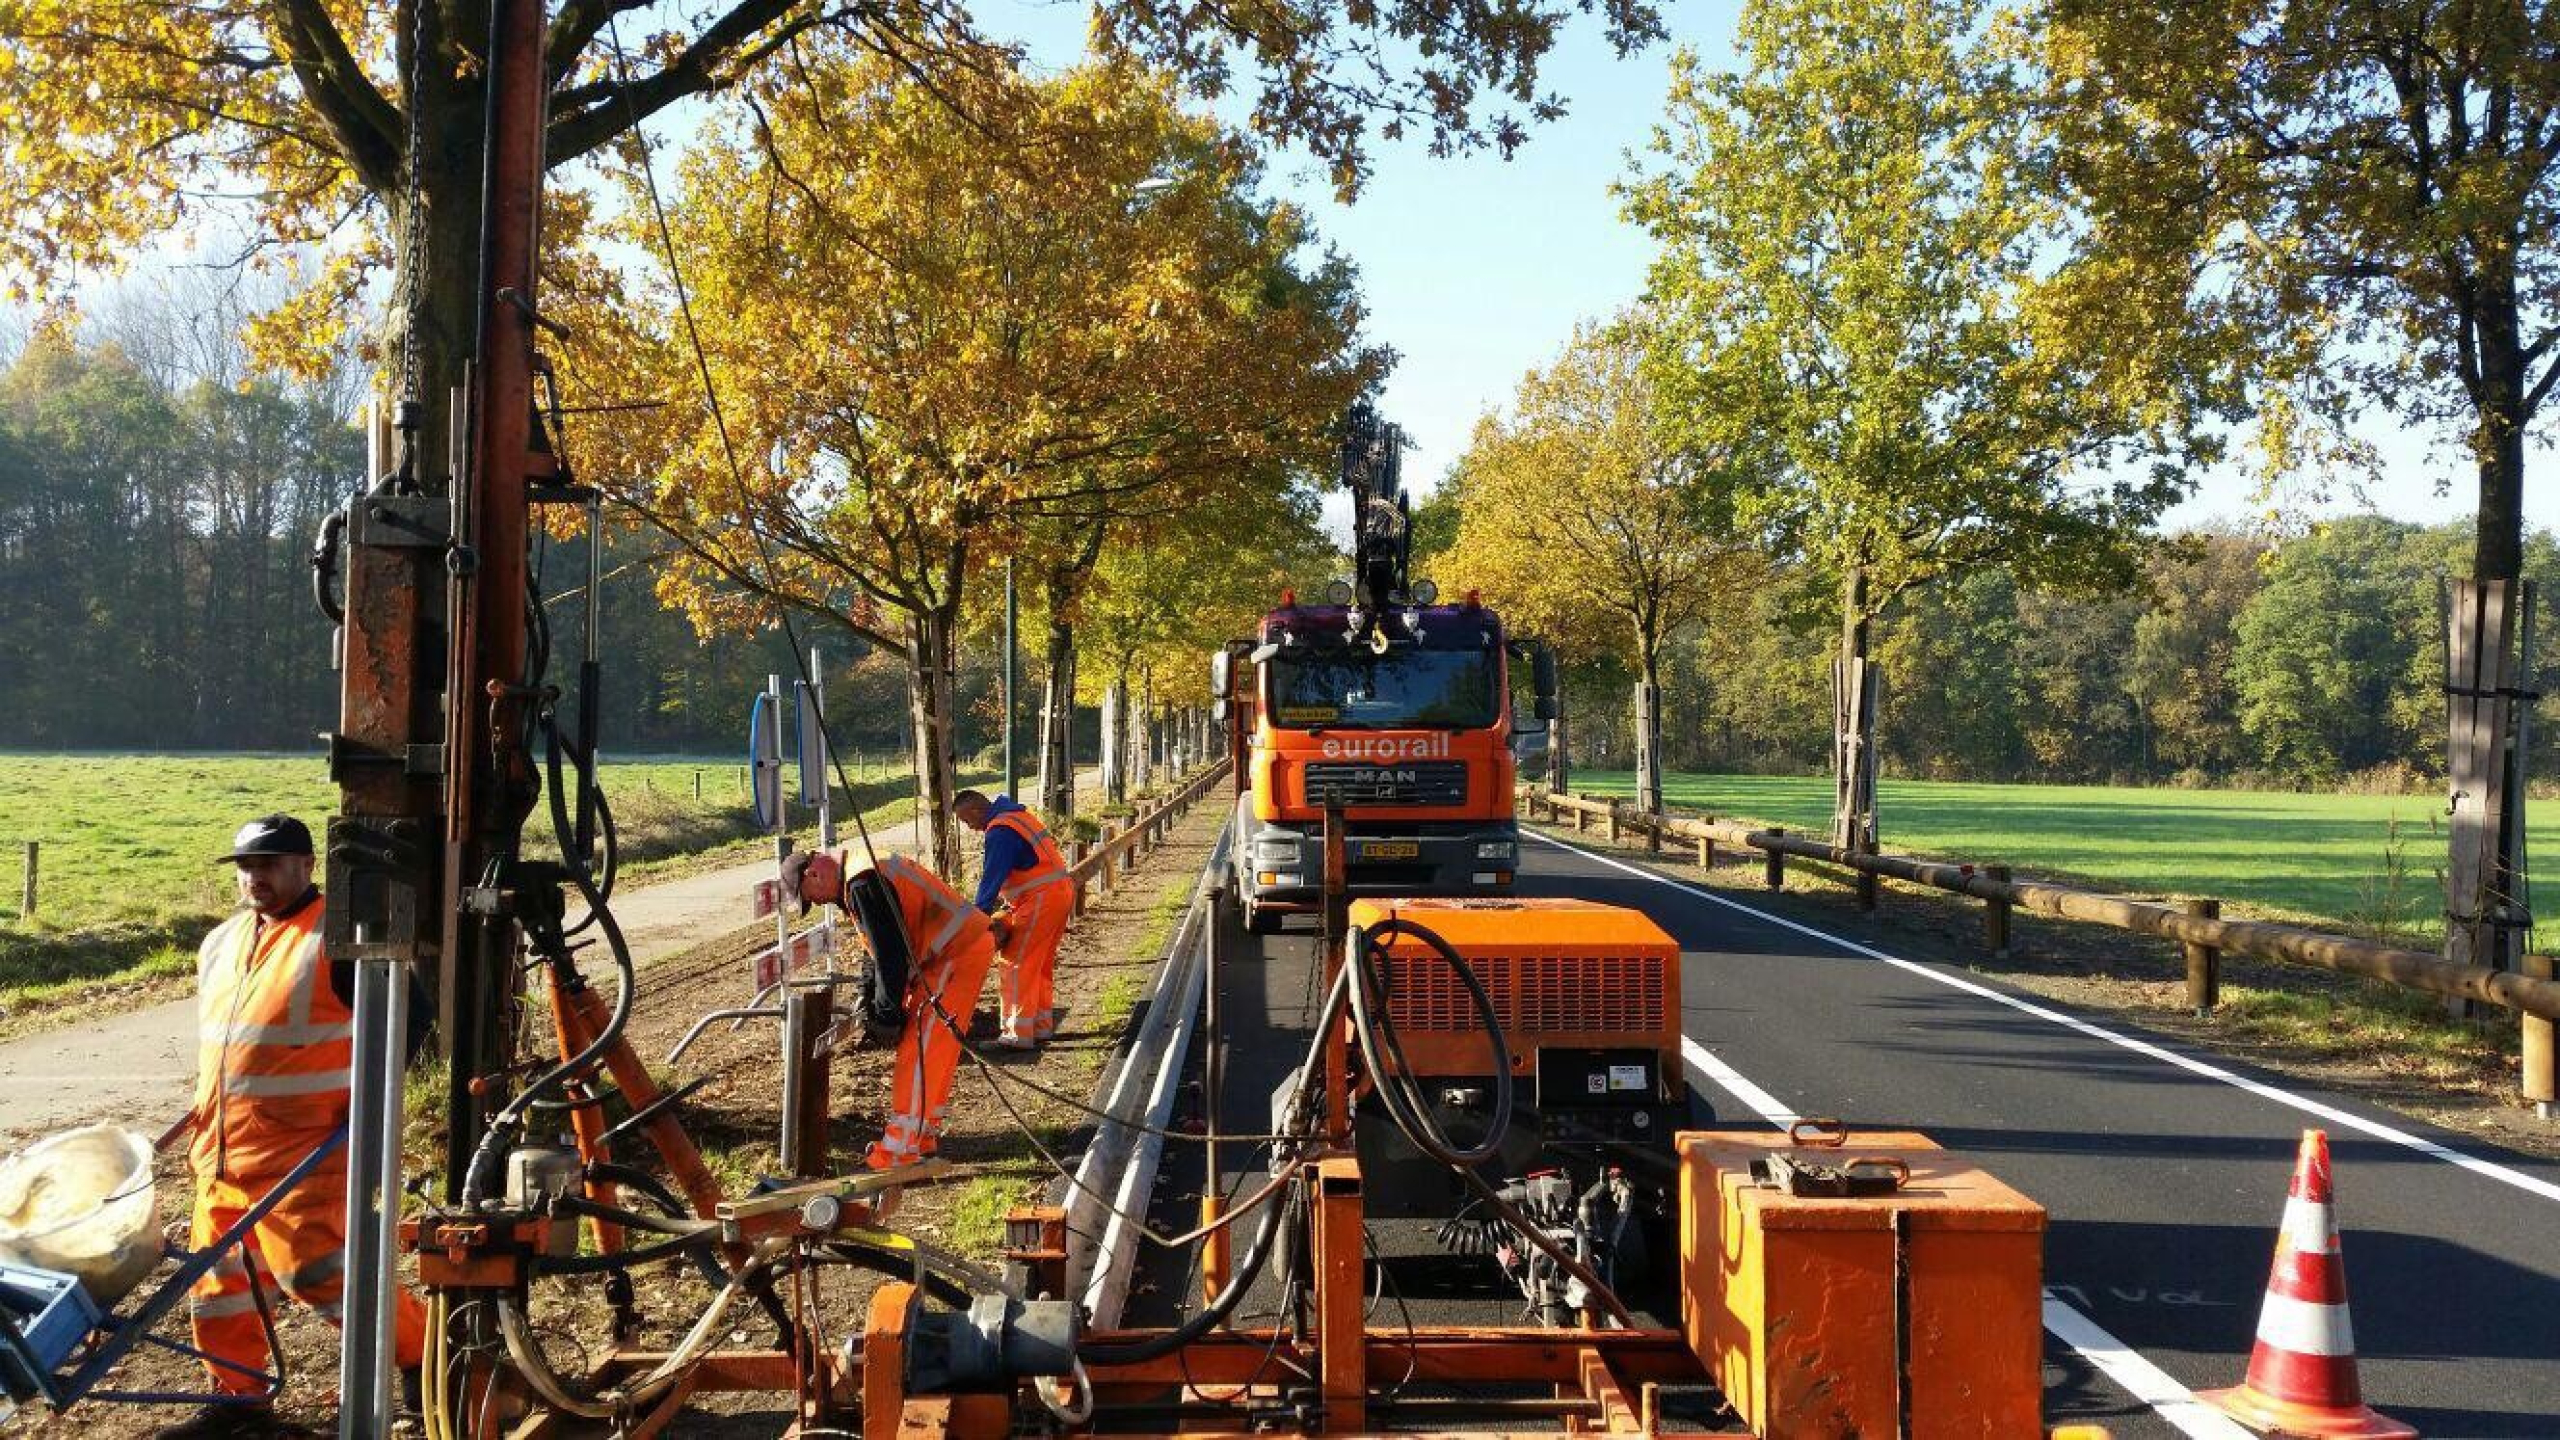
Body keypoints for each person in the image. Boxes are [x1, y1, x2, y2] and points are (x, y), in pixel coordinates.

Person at [163, 815, 427, 1439]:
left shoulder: (337, 937)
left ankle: (423, 1357)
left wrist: (372, 1104)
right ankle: (237, 1403)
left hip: (306, 1154)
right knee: (220, 1284)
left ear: (307, 867)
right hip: (221, 1158)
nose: (256, 877)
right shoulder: (221, 943)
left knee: (325, 1280)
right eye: (247, 867)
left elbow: (411, 1018)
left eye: (271, 864)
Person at [780, 848, 998, 1169]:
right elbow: (876, 947)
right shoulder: (859, 873)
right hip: (959, 948)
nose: (817, 903)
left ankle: (899, 1148)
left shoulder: (862, 883)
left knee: (918, 1050)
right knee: (935, 1047)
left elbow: (890, 955)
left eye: (810, 897)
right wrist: (868, 995)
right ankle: (921, 1136)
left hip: (952, 953)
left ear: (813, 874)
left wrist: (886, 1013)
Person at [952, 790, 1074, 1049]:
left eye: (966, 821)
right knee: (1038, 963)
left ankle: (1015, 1034)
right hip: (1059, 893)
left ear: (975, 810)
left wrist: (975, 919)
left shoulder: (1000, 831)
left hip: (1039, 900)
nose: (969, 827)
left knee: (1014, 962)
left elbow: (991, 879)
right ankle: (1039, 1027)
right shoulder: (1018, 816)